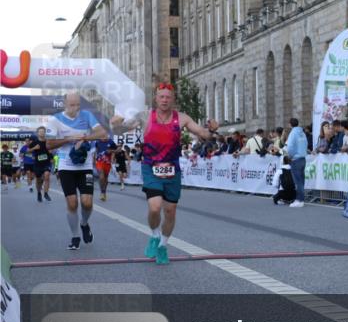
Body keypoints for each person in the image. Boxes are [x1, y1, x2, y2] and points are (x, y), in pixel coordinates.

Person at [109, 82, 219, 265]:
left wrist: (212, 130)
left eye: (168, 97)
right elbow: (120, 130)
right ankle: (154, 234)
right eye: (161, 96)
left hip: (172, 169)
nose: (165, 100)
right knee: (154, 207)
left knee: (170, 211)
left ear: (173, 99)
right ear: (156, 98)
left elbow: (202, 133)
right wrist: (115, 124)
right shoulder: (144, 116)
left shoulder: (182, 118)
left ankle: (162, 245)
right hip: (151, 166)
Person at [45, 92, 109, 250]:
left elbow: (103, 133)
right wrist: (68, 139)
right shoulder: (55, 120)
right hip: (66, 167)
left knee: (87, 203)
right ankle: (75, 236)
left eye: (78, 105)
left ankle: (84, 224)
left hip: (85, 166)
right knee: (72, 204)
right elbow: (48, 145)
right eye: (72, 105)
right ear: (64, 104)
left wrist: (85, 138)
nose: (75, 108)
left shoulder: (87, 115)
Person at [285, 117, 308, 208]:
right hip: (303, 158)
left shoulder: (293, 133)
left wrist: (290, 156)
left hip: (295, 159)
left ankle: (299, 200)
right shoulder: (302, 133)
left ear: (290, 124)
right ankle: (301, 199)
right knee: (301, 180)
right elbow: (305, 144)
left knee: (297, 181)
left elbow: (290, 147)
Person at [29, 127, 53, 202]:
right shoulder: (34, 142)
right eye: (40, 132)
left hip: (47, 163)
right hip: (37, 164)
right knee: (38, 180)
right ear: (38, 133)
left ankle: (46, 193)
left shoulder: (48, 141)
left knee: (47, 176)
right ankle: (39, 193)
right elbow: (28, 151)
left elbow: (51, 150)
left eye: (43, 131)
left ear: (45, 133)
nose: (42, 133)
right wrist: (34, 148)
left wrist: (51, 153)